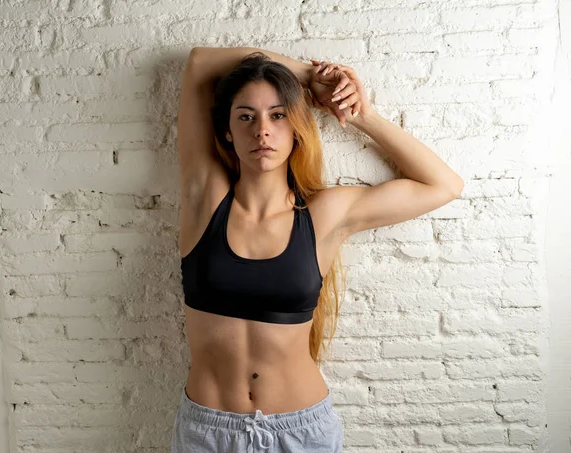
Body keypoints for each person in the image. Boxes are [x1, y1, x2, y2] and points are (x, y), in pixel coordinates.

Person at [172, 46, 464, 453]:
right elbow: (200, 64)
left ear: (296, 128)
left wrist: (359, 111)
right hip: (208, 432)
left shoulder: (324, 215)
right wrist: (309, 77)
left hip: (301, 432)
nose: (262, 131)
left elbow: (444, 186)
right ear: (226, 130)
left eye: (278, 115)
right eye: (246, 117)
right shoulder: (205, 199)